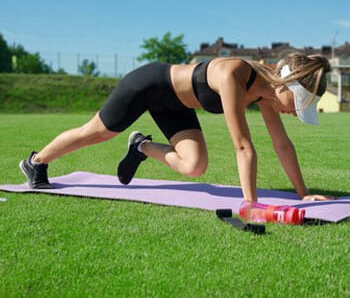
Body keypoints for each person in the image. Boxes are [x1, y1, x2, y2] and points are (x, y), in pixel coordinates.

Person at [19, 53, 334, 202]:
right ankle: (35, 163)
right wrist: (250, 205)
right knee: (97, 132)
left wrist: (303, 194)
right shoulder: (236, 74)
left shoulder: (268, 95)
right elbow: (242, 145)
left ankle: (140, 146)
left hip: (177, 105)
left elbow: (282, 145)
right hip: (147, 85)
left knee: (195, 165)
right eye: (296, 103)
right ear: (286, 84)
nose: (294, 112)